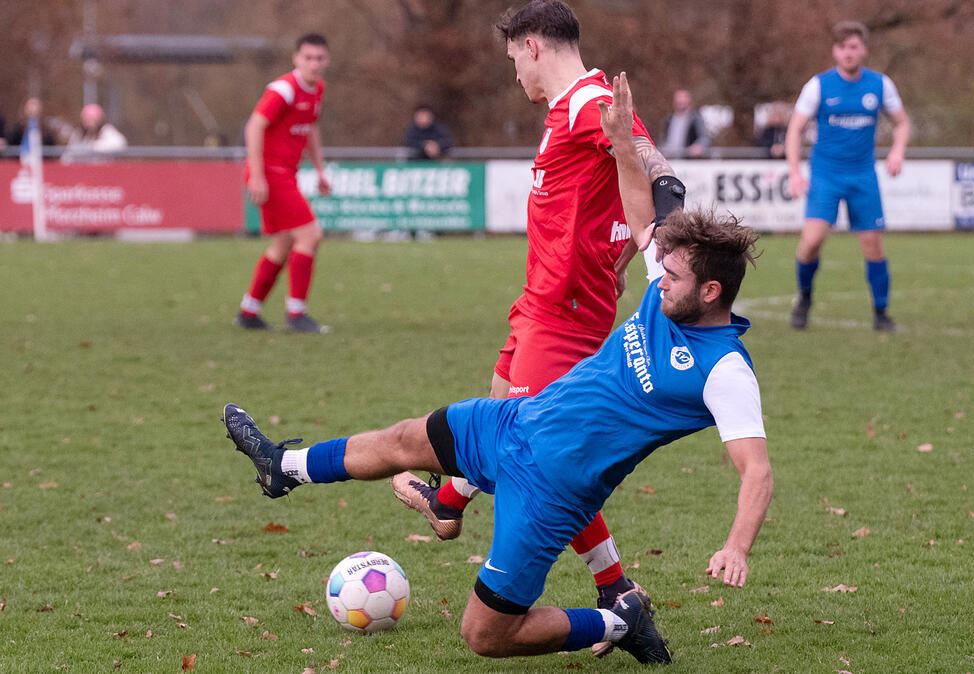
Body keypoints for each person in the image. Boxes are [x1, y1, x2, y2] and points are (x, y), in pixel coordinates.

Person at [222, 76, 771, 663]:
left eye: (677, 278)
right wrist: (620, 145)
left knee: (484, 636)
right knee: (405, 438)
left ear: (711, 291)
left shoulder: (725, 371)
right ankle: (283, 467)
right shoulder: (672, 282)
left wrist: (736, 547)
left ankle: (617, 622)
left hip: (552, 489)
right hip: (515, 422)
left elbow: (756, 471)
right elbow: (642, 206)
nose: (659, 278)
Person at [391, 0, 686, 640]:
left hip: (567, 306)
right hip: (539, 298)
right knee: (504, 410)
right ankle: (449, 502)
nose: (513, 77)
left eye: (512, 62)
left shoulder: (585, 101)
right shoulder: (567, 109)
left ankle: (616, 592)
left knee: (535, 450)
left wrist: (663, 223)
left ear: (531, 47)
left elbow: (640, 150)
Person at [785, 20, 910, 332]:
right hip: (826, 174)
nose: (848, 53)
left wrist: (897, 151)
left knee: (872, 245)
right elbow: (795, 129)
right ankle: (804, 298)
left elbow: (902, 123)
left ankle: (881, 313)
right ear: (835, 51)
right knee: (811, 241)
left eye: (854, 47)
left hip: (862, 175)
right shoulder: (819, 86)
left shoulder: (880, 85)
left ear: (863, 49)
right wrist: (795, 172)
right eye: (842, 48)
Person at [235, 33, 333, 333]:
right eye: (308, 58)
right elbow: (254, 126)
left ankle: (249, 310)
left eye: (319, 58)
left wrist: (319, 170)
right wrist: (258, 175)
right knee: (311, 235)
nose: (314, 64)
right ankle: (296, 313)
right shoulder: (283, 90)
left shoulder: (317, 89)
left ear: (326, 60)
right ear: (296, 59)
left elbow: (310, 129)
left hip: (285, 173)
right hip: (271, 173)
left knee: (283, 243)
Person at [659, 89, 710, 159]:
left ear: (689, 101)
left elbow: (704, 137)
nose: (681, 101)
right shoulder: (669, 120)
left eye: (683, 99)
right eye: (679, 99)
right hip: (670, 160)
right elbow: (663, 139)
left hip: (687, 162)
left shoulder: (695, 119)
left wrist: (699, 146)